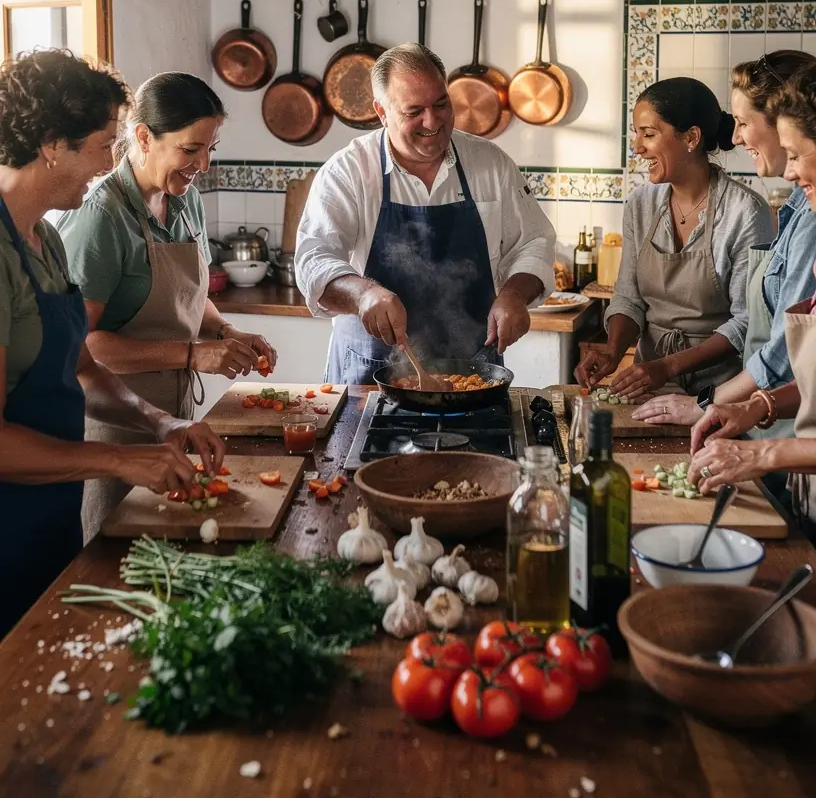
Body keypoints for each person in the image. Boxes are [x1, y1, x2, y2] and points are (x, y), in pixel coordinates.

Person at [0, 51, 222, 636]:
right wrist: (118, 458)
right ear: (53, 143)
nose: (109, 162)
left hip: (51, 509)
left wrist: (157, 424)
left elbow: (81, 369)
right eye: (104, 143)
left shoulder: (42, 237)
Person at [57, 72, 276, 540]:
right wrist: (195, 354)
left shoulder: (186, 200)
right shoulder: (100, 218)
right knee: (118, 554)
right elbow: (83, 346)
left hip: (174, 418)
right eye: (191, 149)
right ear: (143, 137)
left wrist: (225, 333)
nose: (205, 163)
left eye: (210, 148)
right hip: (113, 427)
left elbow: (189, 299)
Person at [295, 42, 555, 385]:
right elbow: (313, 260)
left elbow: (534, 242)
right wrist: (364, 294)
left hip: (471, 373)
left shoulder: (490, 164)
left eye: (441, 104)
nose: (432, 121)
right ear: (382, 111)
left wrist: (514, 295)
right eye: (413, 110)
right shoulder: (349, 171)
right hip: (368, 374)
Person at [632, 51, 816, 432]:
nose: (733, 137)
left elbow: (782, 354)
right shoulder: (799, 205)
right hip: (764, 412)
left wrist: (707, 402)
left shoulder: (780, 214)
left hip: (782, 424)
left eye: (744, 123)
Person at [575, 77, 774, 400]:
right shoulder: (641, 205)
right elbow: (628, 297)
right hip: (650, 384)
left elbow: (747, 322)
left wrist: (668, 366)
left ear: (691, 137)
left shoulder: (745, 213)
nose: (637, 147)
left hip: (723, 392)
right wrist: (613, 351)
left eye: (649, 134)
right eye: (637, 134)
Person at [689, 61, 816, 541]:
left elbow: (786, 353)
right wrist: (758, 406)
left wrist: (762, 452)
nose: (795, 169)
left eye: (797, 153)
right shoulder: (803, 208)